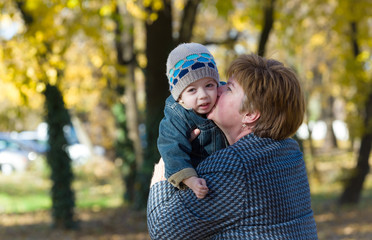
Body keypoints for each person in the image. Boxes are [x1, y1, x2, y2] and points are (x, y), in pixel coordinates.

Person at [147, 54, 318, 239]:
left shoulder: (233, 166)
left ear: (250, 114)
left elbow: (162, 231)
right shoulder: (289, 152)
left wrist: (165, 168)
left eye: (229, 88)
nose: (217, 89)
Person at [157, 43, 228, 199]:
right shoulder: (177, 115)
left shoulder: (225, 98)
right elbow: (171, 149)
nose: (203, 95)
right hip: (193, 178)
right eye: (192, 90)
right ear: (179, 97)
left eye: (209, 85)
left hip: (225, 172)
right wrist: (191, 180)